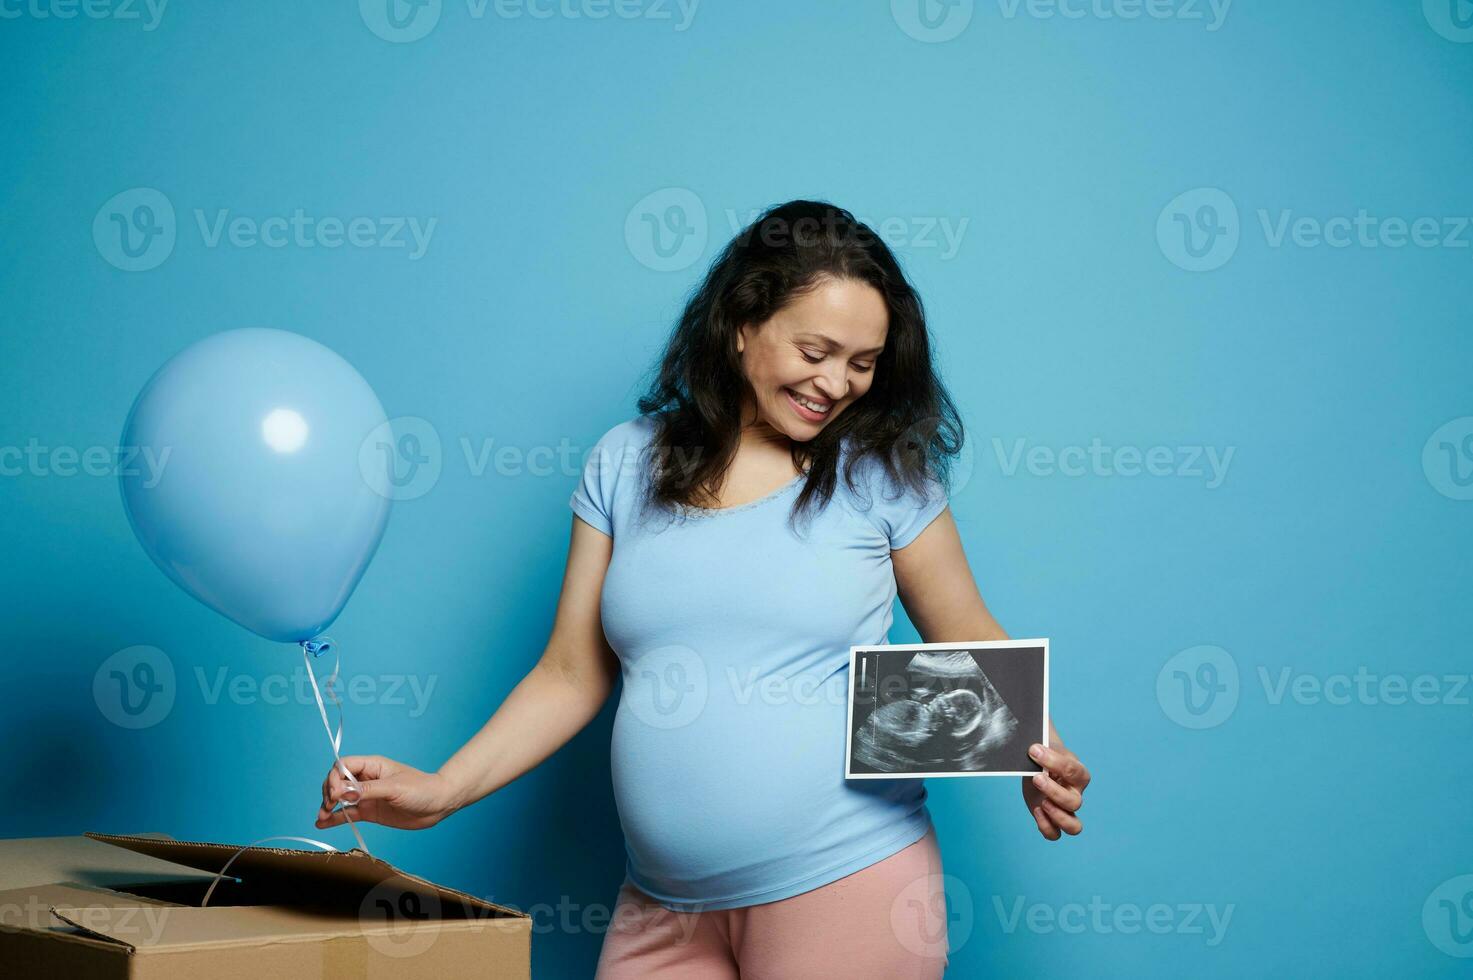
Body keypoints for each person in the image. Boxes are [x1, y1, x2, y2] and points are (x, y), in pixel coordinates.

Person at [314, 200, 1092, 978]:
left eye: (862, 363)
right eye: (815, 350)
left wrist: (1034, 752)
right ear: (741, 324)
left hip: (850, 883)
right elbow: (570, 673)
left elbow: (965, 631)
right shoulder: (625, 462)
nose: (836, 383)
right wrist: (443, 790)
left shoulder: (880, 477)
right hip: (659, 906)